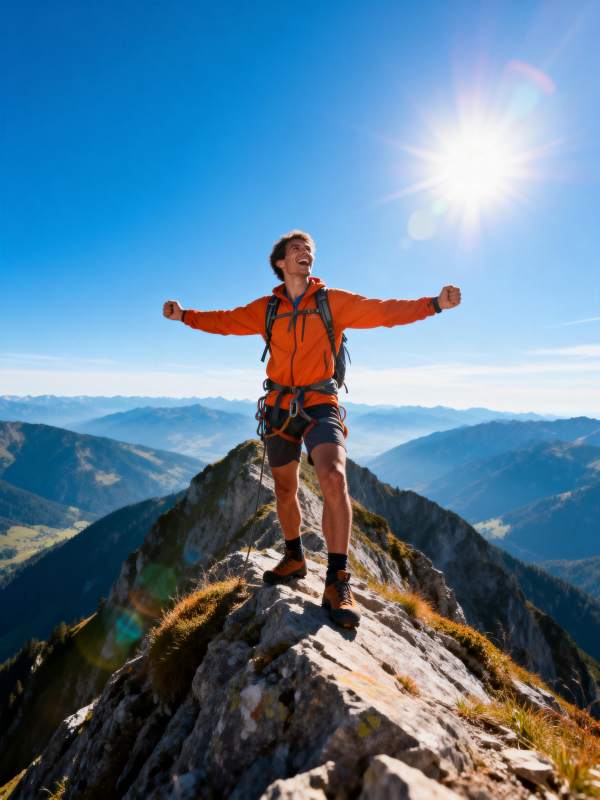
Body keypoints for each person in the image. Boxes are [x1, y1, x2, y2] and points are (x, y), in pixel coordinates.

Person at [163, 230, 461, 629]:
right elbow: (226, 321)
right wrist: (185, 316)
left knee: (333, 477)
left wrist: (434, 305)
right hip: (279, 406)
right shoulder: (267, 308)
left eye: (309, 250)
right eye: (296, 250)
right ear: (281, 264)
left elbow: (383, 311)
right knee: (284, 489)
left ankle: (338, 579)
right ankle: (294, 557)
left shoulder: (332, 302)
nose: (305, 254)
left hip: (320, 403)